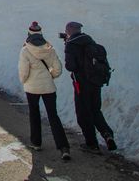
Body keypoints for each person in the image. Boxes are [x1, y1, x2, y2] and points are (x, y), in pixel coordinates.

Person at [18, 22, 71, 160]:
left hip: (32, 88)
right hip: (48, 87)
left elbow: (23, 71)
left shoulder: (25, 50)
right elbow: (58, 68)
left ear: (29, 33)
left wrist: (25, 81)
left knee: (34, 114)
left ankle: (36, 143)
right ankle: (63, 147)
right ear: (41, 33)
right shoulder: (49, 48)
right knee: (53, 116)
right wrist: (51, 76)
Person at [64, 21, 117, 153]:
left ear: (69, 30)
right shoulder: (90, 41)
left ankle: (91, 144)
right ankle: (107, 134)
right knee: (95, 110)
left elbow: (70, 66)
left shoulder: (71, 45)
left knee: (83, 113)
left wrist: (67, 47)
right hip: (95, 82)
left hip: (81, 84)